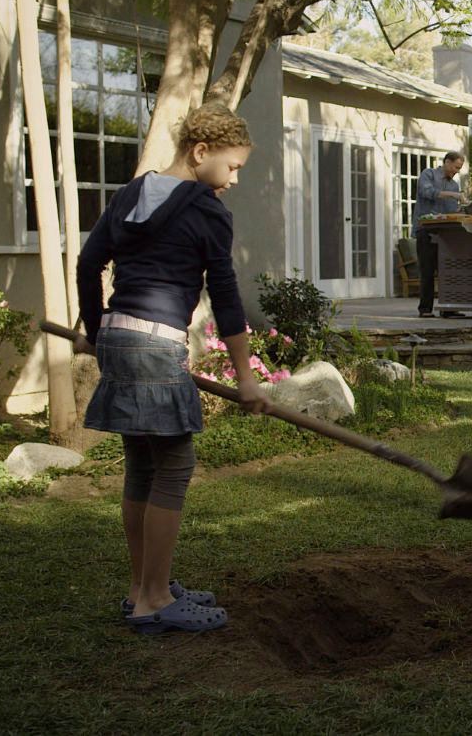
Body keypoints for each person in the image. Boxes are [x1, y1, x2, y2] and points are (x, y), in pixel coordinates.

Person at [75, 102, 272, 635]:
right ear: (200, 151)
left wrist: (97, 332)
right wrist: (247, 377)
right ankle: (156, 600)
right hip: (155, 342)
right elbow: (226, 295)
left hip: (119, 334)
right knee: (175, 467)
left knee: (142, 466)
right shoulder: (205, 211)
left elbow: (89, 264)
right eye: (231, 167)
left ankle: (142, 588)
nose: (232, 181)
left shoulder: (131, 194)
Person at [412, 151, 466, 318]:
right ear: (447, 162)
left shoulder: (454, 185)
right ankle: (425, 309)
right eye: (456, 167)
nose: (457, 171)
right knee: (428, 271)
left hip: (446, 233)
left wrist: (462, 210)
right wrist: (453, 195)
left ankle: (448, 308)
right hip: (425, 230)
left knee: (448, 270)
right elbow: (426, 192)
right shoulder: (428, 174)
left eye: (459, 169)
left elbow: (450, 211)